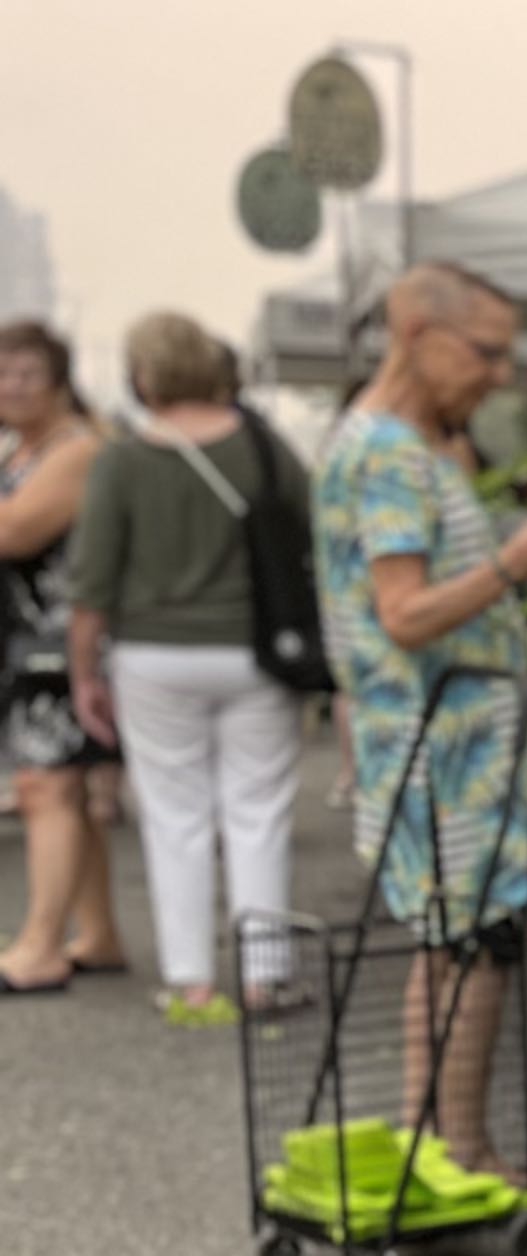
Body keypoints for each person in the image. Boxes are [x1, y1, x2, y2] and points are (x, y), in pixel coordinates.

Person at [311, 264, 527, 1175]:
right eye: (486, 352)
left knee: (447, 943)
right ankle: (471, 1152)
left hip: (434, 745)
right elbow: (404, 613)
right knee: (474, 947)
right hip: (447, 755)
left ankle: (430, 1139)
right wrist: (518, 561)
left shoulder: (388, 446)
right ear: (415, 331)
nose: (500, 375)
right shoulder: (391, 456)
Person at [64, 312, 314, 1025]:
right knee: (258, 811)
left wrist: (86, 673)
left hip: (154, 657)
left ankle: (191, 982)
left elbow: (93, 585)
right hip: (258, 652)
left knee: (174, 817)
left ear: (142, 376)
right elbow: (312, 531)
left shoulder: (121, 460)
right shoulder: (265, 447)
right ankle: (267, 975)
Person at [0, 316, 127, 995]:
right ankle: (99, 932)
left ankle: (41, 946)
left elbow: (15, 531)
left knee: (45, 786)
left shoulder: (76, 448)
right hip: (31, 646)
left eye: (25, 372)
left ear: (57, 380)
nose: (9, 386)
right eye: (1, 372)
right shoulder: (20, 452)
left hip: (69, 644)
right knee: (64, 788)